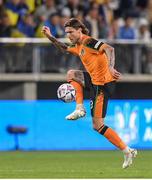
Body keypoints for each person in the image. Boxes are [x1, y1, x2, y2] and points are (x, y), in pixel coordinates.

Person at [41, 18, 137, 169]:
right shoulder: (78, 45)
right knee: (71, 74)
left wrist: (111, 67)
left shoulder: (88, 42)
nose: (69, 35)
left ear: (79, 30)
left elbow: (109, 49)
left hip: (103, 86)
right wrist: (50, 36)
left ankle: (127, 151)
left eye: (71, 32)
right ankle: (79, 108)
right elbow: (64, 48)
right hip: (94, 82)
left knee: (98, 125)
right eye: (67, 33)